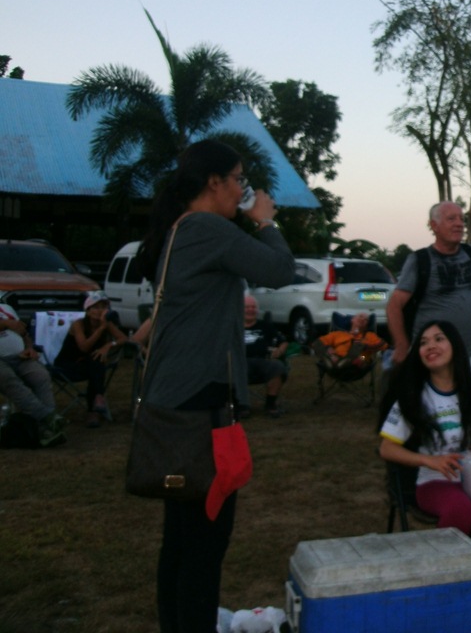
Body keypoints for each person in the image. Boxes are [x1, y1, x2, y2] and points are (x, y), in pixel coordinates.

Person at [137, 139, 294, 632]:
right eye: (239, 179)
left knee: (182, 540)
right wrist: (265, 221)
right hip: (199, 404)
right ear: (214, 182)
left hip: (176, 400)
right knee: (205, 542)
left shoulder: (181, 229)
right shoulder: (205, 227)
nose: (243, 190)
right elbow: (279, 269)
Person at [379, 319, 471, 628]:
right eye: (424, 342)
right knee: (458, 508)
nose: (430, 346)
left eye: (439, 339)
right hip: (436, 480)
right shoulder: (414, 394)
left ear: (455, 347)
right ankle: (447, 589)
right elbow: (387, 448)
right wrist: (429, 461)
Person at [386, 201, 471, 371]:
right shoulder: (420, 260)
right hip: (430, 359)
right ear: (434, 226)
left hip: (467, 358)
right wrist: (401, 345)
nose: (459, 224)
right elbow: (394, 305)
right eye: (451, 219)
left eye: (462, 219)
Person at [55, 290, 129, 428]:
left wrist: (108, 345)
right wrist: (101, 329)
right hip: (67, 366)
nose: (100, 310)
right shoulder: (79, 324)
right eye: (95, 307)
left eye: (103, 307)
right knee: (96, 364)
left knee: (96, 360)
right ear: (88, 311)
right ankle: (96, 403)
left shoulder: (106, 323)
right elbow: (84, 347)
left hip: (89, 365)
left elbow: (123, 338)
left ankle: (95, 406)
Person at [0, 302, 66, 446]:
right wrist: (5, 323)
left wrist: (29, 348)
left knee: (40, 376)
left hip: (19, 356)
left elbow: (23, 333)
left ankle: (46, 431)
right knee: (7, 378)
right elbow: (10, 325)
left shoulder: (6, 308)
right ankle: (48, 418)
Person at [241, 295, 290, 419]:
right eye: (247, 307)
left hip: (262, 361)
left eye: (253, 307)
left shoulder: (265, 326)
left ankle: (270, 404)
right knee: (234, 369)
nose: (250, 310)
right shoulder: (233, 327)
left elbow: (283, 341)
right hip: (240, 362)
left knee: (277, 367)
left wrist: (280, 350)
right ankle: (241, 405)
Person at [317, 311, 387, 368]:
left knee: (361, 350)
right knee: (319, 345)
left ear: (366, 326)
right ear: (352, 320)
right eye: (360, 316)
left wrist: (365, 346)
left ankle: (343, 362)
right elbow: (319, 342)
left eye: (366, 320)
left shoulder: (369, 335)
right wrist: (329, 349)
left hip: (359, 359)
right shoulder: (338, 334)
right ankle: (332, 361)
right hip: (336, 357)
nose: (363, 319)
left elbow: (383, 345)